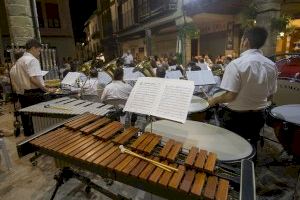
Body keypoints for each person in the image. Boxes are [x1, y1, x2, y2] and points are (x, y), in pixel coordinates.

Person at [208, 27, 277, 148]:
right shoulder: (272, 65)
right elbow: (270, 95)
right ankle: (251, 161)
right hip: (259, 116)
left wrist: (214, 100)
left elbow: (230, 96)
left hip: (236, 118)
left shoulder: (236, 64)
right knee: (252, 141)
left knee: (232, 145)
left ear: (246, 41)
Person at [11, 39, 53, 136]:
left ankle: (29, 141)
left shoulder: (19, 61)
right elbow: (33, 79)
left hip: (24, 94)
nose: (39, 54)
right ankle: (42, 139)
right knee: (40, 121)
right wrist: (46, 89)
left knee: (28, 121)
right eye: (39, 51)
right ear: (33, 48)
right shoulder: (32, 60)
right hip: (35, 94)